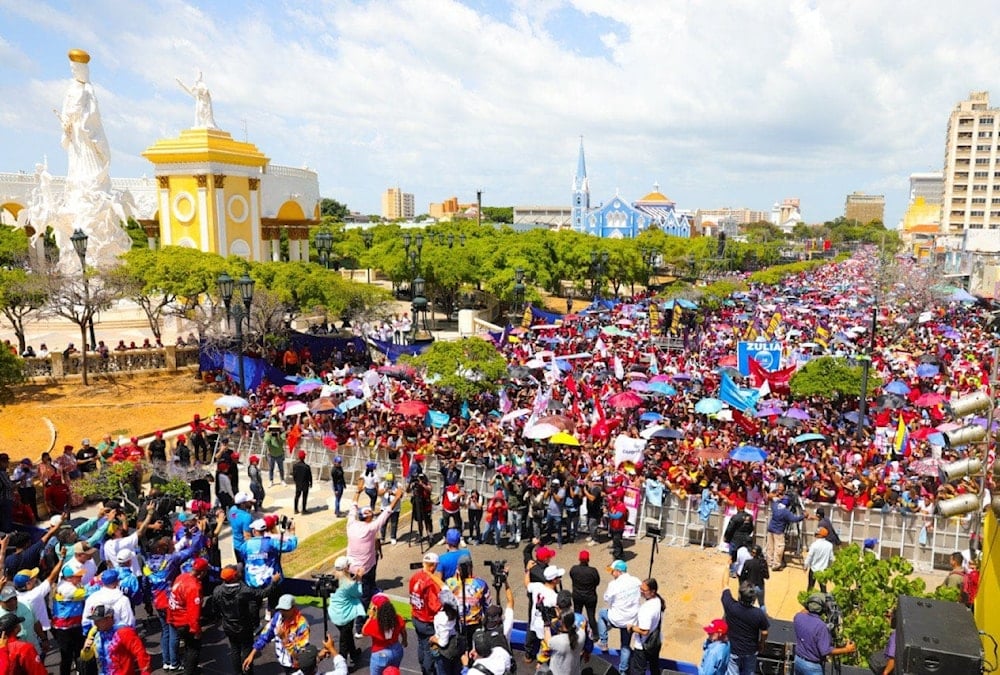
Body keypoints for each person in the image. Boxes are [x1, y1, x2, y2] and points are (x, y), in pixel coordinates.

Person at [212, 564, 278, 675]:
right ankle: (247, 672)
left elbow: (215, 609)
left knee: (234, 649)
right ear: (234, 577)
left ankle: (238, 672)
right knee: (247, 650)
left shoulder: (217, 590)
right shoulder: (242, 590)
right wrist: (274, 582)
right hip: (243, 626)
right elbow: (262, 593)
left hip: (228, 626)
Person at [347, 485, 404, 607]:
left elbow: (353, 506)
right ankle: (360, 616)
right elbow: (387, 512)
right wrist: (397, 497)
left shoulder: (351, 523)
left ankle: (372, 588)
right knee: (364, 595)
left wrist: (358, 491)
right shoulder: (370, 528)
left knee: (373, 566)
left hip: (354, 566)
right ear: (365, 516)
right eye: (369, 512)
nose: (372, 512)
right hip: (363, 569)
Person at [244, 594, 311, 673]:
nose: (283, 612)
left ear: (293, 608)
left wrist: (284, 639)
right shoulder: (278, 617)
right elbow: (266, 635)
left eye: (286, 609)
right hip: (283, 662)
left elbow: (300, 655)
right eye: (281, 609)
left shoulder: (302, 625)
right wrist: (251, 655)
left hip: (296, 667)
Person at [597, 559, 642, 674]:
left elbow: (606, 599)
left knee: (602, 613)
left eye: (612, 571)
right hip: (631, 620)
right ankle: (623, 671)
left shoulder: (613, 585)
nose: (611, 574)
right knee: (625, 646)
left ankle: (603, 642)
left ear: (618, 571)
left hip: (617, 618)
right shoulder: (636, 581)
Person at [792, 593, 856, 674]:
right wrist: (847, 649)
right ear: (822, 609)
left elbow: (803, 611)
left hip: (798, 661)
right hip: (812, 667)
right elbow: (825, 651)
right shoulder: (821, 627)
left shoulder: (798, 617)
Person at [167, 557, 210, 675]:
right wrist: (196, 630)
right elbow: (194, 612)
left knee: (187, 646)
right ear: (202, 572)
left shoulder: (181, 577)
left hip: (175, 618)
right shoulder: (194, 587)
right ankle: (190, 672)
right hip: (185, 621)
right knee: (193, 649)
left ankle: (187, 668)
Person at [80, 604, 152, 675]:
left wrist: (145, 671)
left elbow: (140, 652)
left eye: (98, 620)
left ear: (109, 618)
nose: (95, 623)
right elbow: (86, 657)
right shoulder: (95, 633)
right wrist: (86, 650)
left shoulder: (124, 632)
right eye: (94, 620)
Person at [721, 582, 770, 675]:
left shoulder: (731, 606)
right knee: (749, 672)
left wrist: (727, 567)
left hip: (733, 649)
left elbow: (725, 585)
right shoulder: (759, 613)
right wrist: (762, 643)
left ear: (740, 595)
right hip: (750, 650)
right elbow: (764, 632)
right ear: (754, 598)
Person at [409, 551, 445, 675]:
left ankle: (423, 667)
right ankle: (428, 671)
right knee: (429, 649)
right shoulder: (431, 582)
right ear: (433, 566)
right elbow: (435, 606)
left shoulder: (415, 577)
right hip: (427, 622)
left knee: (421, 644)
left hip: (416, 617)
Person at [328, 556, 367, 669]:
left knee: (348, 634)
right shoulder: (347, 583)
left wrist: (355, 578)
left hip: (335, 613)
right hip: (344, 616)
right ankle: (342, 665)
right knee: (344, 642)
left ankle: (354, 654)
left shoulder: (333, 579)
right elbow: (358, 593)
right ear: (346, 568)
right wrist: (359, 578)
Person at [445, 556, 492, 643]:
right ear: (471, 567)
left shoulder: (449, 583)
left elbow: (444, 604)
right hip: (475, 624)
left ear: (458, 568)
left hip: (456, 624)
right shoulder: (480, 583)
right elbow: (487, 605)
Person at [525, 561, 562, 663]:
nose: (560, 579)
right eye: (559, 577)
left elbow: (527, 584)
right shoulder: (554, 597)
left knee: (533, 638)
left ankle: (528, 656)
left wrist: (527, 570)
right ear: (554, 580)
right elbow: (559, 614)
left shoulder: (537, 586)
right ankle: (540, 664)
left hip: (534, 621)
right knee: (545, 647)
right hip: (545, 627)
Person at [361, 593, 407, 675]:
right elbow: (403, 631)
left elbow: (363, 631)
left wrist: (370, 617)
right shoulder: (398, 619)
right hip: (396, 650)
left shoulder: (375, 624)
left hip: (380, 654)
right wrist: (404, 640)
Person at [626, 578, 664, 675]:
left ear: (652, 592)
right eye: (641, 588)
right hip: (655, 641)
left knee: (638, 670)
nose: (641, 592)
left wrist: (632, 628)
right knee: (654, 666)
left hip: (642, 646)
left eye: (644, 590)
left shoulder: (646, 610)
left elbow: (644, 631)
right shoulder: (658, 600)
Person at [765, 496, 808, 571]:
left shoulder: (775, 506)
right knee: (779, 548)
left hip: (770, 529)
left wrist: (779, 498)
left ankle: (769, 562)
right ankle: (776, 564)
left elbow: (774, 501)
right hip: (778, 532)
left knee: (770, 547)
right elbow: (794, 519)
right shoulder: (786, 512)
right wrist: (803, 516)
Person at [429, 587, 464, 675]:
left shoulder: (441, 618)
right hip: (457, 647)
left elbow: (443, 642)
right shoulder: (457, 610)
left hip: (445, 653)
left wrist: (433, 639)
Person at [545, 608, 586, 675]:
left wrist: (546, 625)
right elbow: (582, 625)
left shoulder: (558, 641)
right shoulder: (582, 635)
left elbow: (548, 641)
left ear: (561, 622)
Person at [569, 549, 600, 634]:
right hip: (590, 596)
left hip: (577, 596)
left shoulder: (574, 569)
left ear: (579, 559)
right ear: (588, 559)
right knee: (591, 616)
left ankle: (574, 631)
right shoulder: (593, 571)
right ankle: (595, 634)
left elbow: (572, 577)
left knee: (577, 613)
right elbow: (597, 582)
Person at [723, 499, 755, 577]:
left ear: (737, 507)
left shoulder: (735, 517)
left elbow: (730, 529)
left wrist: (726, 537)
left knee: (732, 555)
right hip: (746, 539)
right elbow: (751, 528)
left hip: (735, 539)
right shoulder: (749, 517)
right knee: (746, 555)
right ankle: (744, 571)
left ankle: (732, 571)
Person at [737, 545, 769, 611]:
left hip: (750, 587)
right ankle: (763, 619)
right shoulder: (763, 562)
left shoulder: (748, 562)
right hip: (760, 586)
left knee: (748, 606)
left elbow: (742, 575)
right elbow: (767, 576)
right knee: (762, 604)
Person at [228, 491, 256, 563]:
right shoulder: (247, 517)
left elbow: (236, 518)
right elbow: (247, 536)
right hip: (245, 548)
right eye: (248, 501)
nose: (250, 501)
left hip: (236, 545)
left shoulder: (232, 510)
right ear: (242, 504)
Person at [804, 528, 835, 593]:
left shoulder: (814, 545)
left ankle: (809, 600)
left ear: (820, 535)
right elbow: (831, 558)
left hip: (813, 569)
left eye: (816, 534)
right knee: (823, 588)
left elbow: (809, 556)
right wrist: (829, 567)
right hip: (823, 571)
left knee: (811, 586)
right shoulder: (829, 545)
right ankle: (823, 601)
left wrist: (805, 566)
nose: (815, 535)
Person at [867, 609, 896, 675]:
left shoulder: (895, 636)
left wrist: (885, 673)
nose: (887, 620)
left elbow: (892, 659)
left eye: (889, 617)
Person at [379, 471, 402, 544]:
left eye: (391, 481)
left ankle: (393, 537)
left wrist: (392, 493)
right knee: (383, 523)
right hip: (384, 507)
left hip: (395, 508)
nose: (390, 482)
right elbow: (378, 493)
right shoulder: (382, 484)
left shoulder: (398, 485)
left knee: (394, 523)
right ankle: (382, 538)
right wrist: (385, 490)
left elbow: (400, 495)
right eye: (388, 481)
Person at [608, 491, 629, 560]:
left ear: (618, 498)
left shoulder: (622, 506)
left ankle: (617, 558)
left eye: (614, 497)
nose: (613, 498)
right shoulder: (613, 504)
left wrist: (608, 514)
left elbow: (617, 516)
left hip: (618, 527)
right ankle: (621, 554)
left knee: (616, 542)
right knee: (616, 541)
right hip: (613, 526)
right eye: (612, 497)